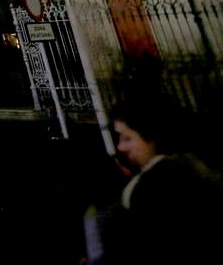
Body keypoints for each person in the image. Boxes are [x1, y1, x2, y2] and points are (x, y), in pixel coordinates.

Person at [88, 101, 223, 264]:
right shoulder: (194, 168)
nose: (121, 147)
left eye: (127, 138)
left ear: (151, 138)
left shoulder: (153, 184)